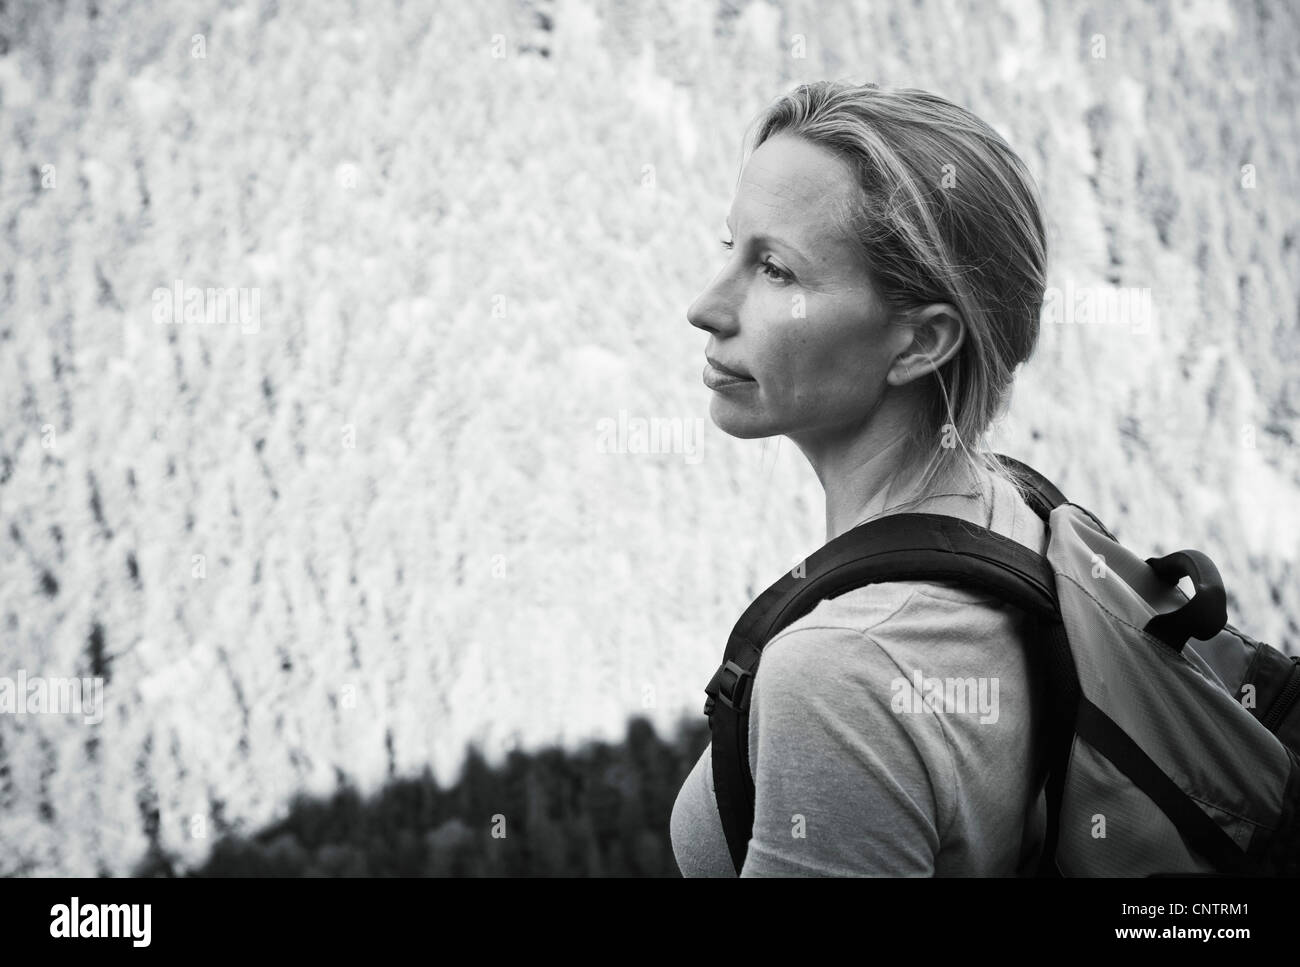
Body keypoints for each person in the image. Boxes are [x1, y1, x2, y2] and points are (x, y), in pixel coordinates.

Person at [672, 80, 1052, 876]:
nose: (706, 307)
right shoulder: (1018, 512)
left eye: (775, 270)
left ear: (920, 344)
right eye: (730, 248)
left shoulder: (845, 675)